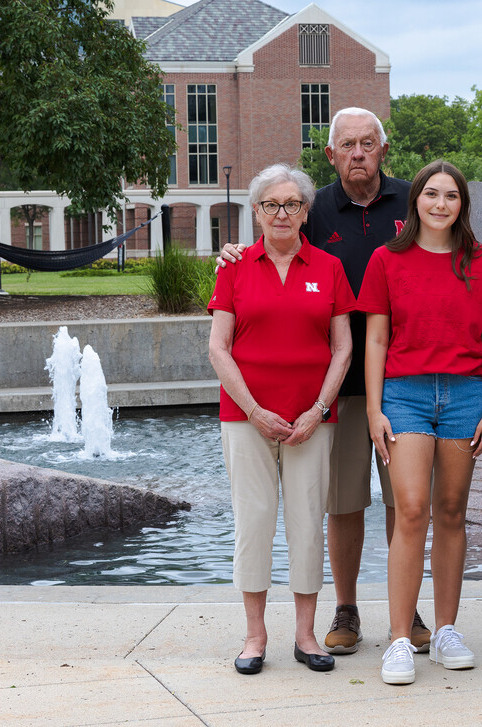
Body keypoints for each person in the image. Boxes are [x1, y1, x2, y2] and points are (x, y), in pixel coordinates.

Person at [218, 108, 434, 654]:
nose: (358, 153)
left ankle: (405, 614)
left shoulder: (414, 202)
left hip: (403, 378)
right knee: (341, 505)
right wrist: (234, 251)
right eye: (347, 145)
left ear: (383, 149)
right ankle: (346, 609)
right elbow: (275, 239)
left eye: (367, 143)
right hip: (337, 390)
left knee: (404, 503)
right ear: (331, 154)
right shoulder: (316, 210)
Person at [359, 160, 482, 685]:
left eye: (451, 196)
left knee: (451, 511)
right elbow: (375, 339)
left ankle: (446, 629)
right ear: (416, 200)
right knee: (411, 510)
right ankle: (400, 638)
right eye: (431, 194)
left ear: (462, 204)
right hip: (406, 393)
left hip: (467, 394)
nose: (441, 204)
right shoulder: (385, 260)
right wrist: (375, 409)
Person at [207, 163, 355, 674]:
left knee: (307, 524)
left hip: (312, 419)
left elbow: (343, 349)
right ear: (256, 211)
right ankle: (254, 636)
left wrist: (317, 411)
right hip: (245, 417)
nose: (282, 212)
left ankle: (307, 635)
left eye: (292, 203)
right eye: (271, 204)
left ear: (306, 211)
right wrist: (253, 410)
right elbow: (218, 348)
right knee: (254, 521)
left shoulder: (330, 268)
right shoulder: (234, 267)